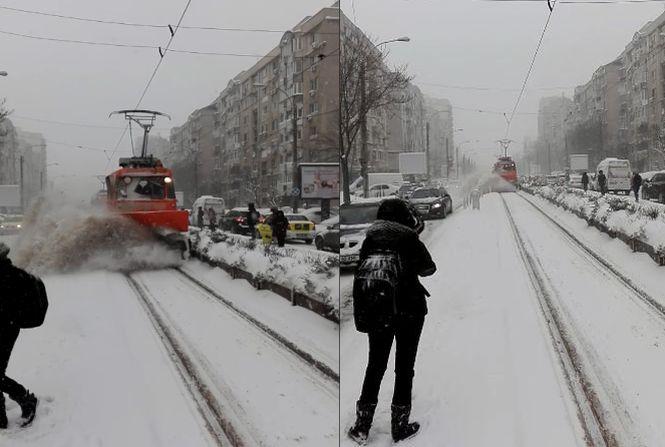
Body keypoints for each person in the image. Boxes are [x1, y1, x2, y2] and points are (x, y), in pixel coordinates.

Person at [348, 199, 436, 444]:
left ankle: (362, 426)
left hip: (378, 311)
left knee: (375, 366)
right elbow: (428, 268)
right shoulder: (409, 239)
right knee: (404, 368)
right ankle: (399, 426)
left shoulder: (370, 240)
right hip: (409, 312)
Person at [0, 243, 39, 429]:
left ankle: (25, 398)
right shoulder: (17, 275)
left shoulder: (11, 277)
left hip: (5, 330)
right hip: (8, 327)